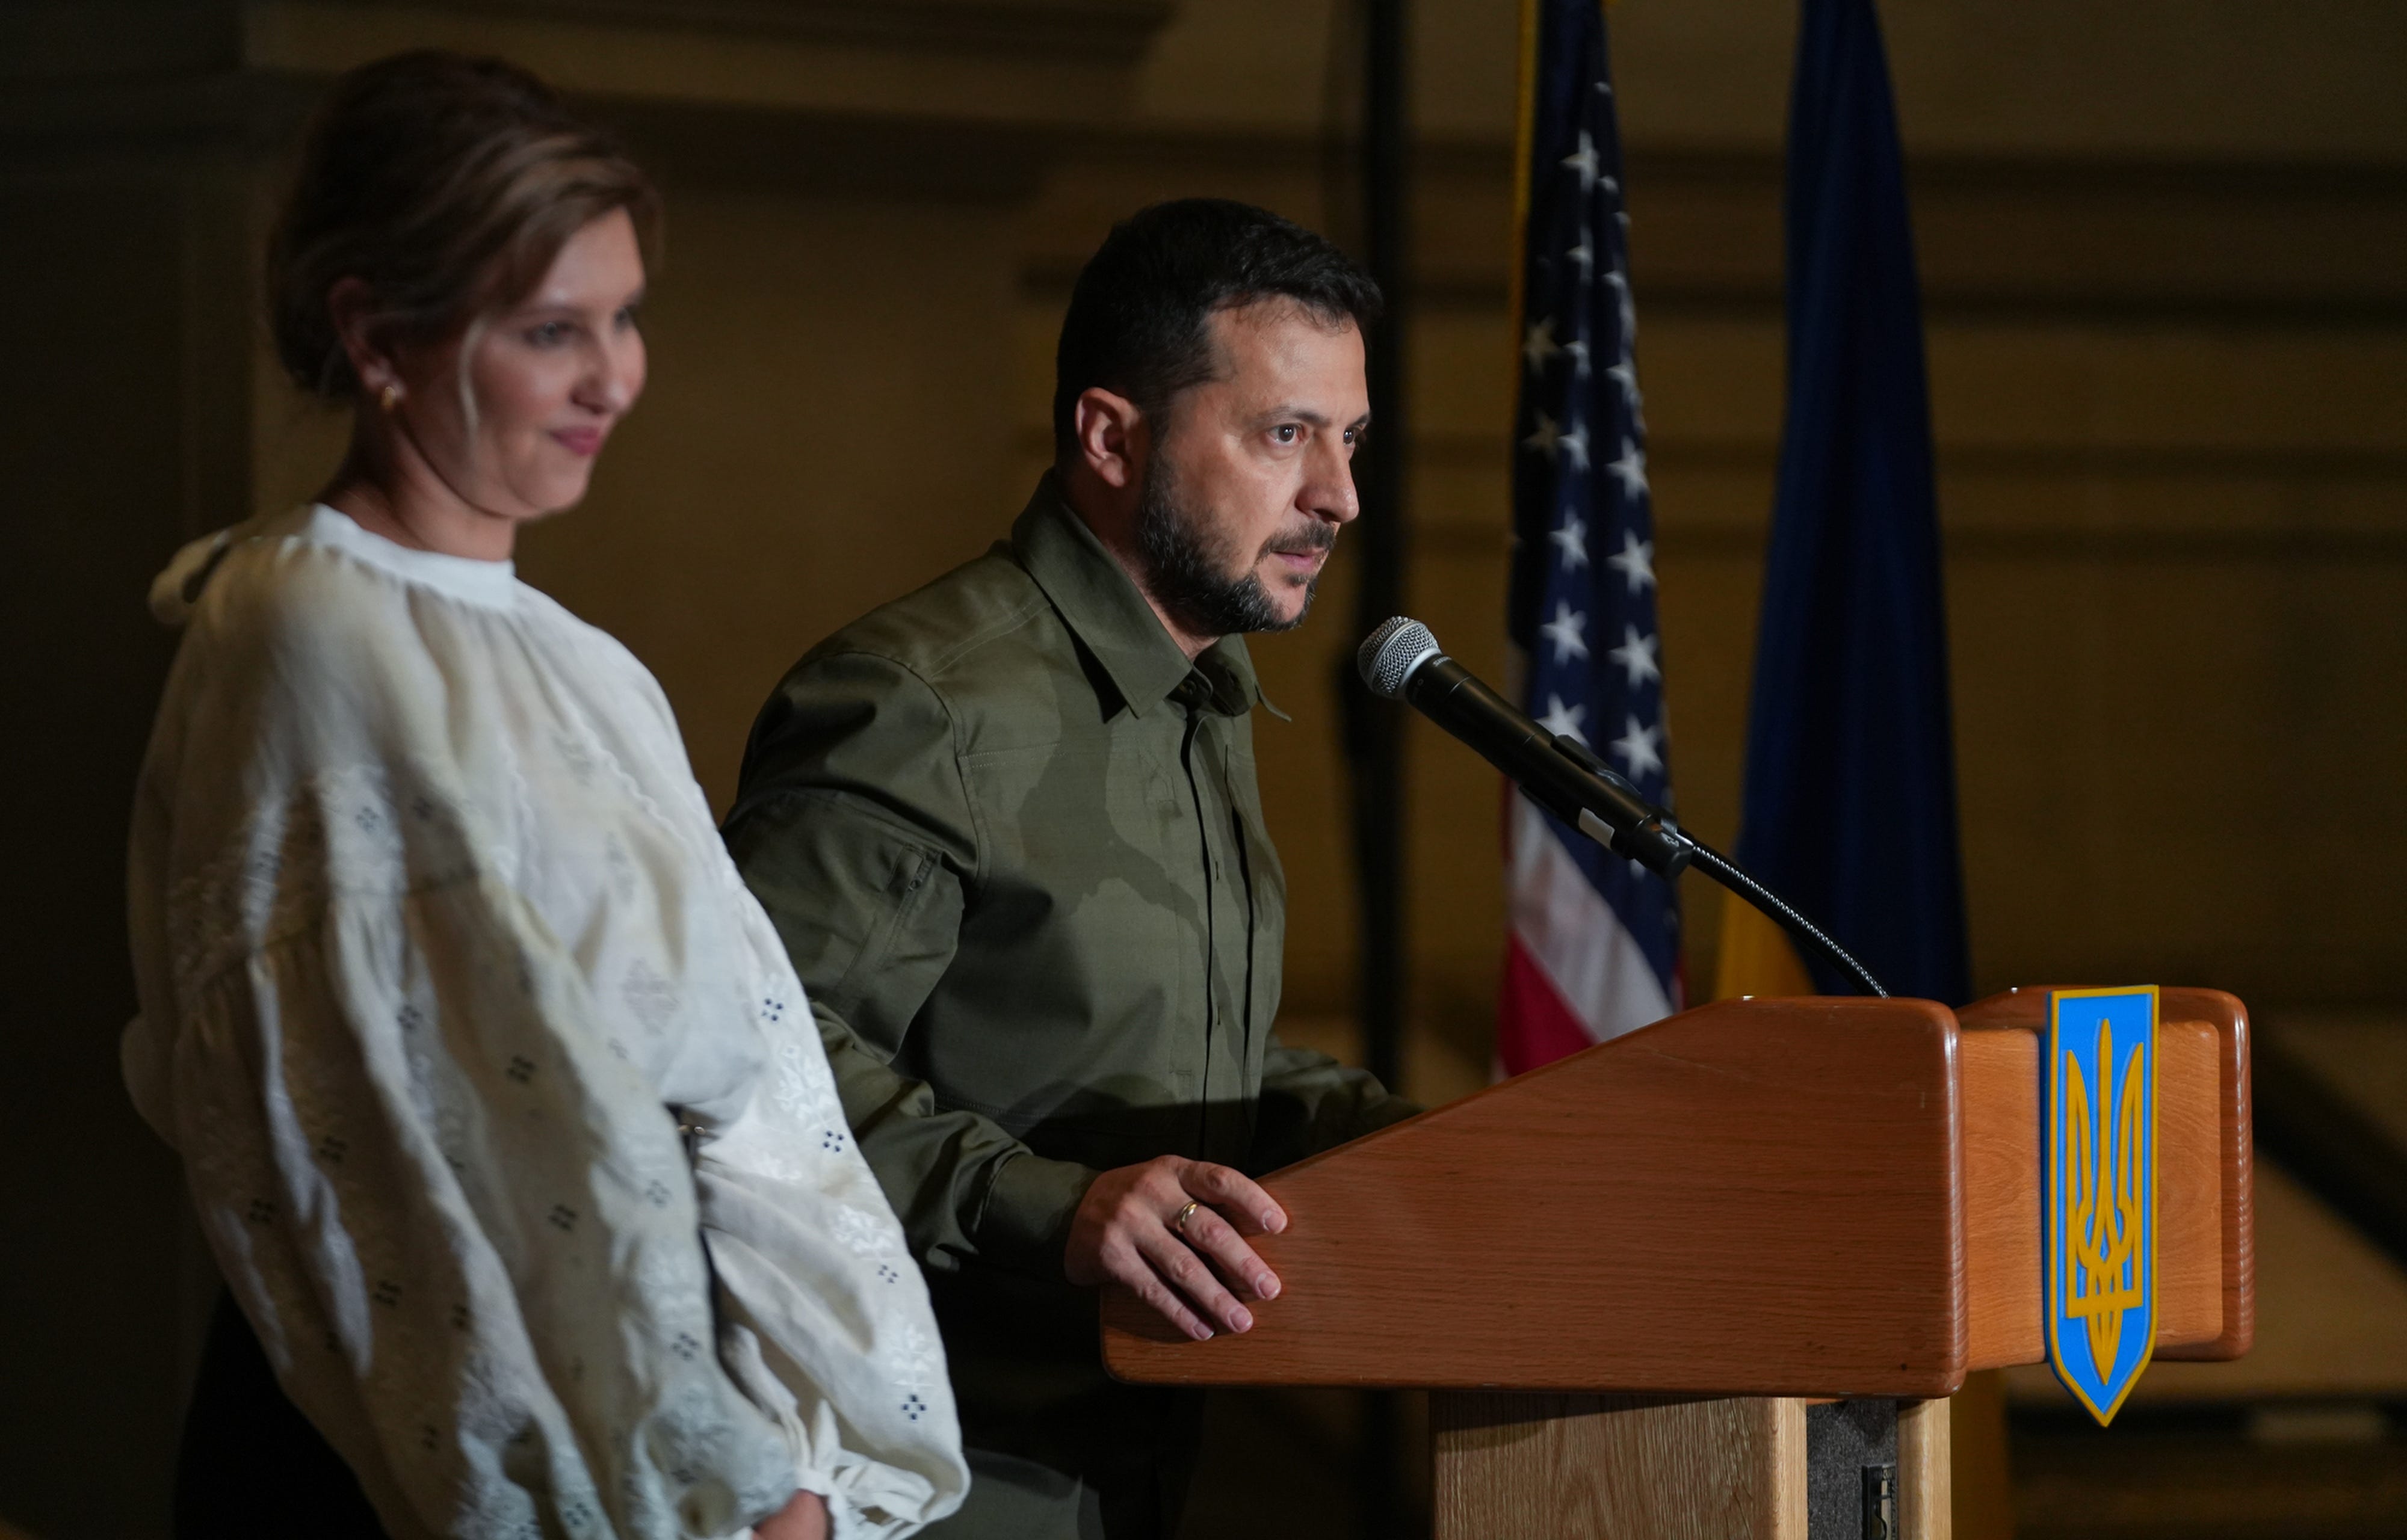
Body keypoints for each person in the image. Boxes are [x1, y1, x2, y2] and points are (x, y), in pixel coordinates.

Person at [122, 51, 966, 1540]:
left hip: (681, 1427)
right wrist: (722, 1483)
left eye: (625, 316)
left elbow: (760, 1085)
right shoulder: (315, 630)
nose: (615, 377)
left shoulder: (575, 658)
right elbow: (447, 1170)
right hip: (451, 1459)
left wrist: (820, 1449)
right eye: (551, 330)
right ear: (378, 336)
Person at [722, 199, 1420, 1538]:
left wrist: (1463, 1148)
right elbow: (743, 1062)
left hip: (1138, 1468)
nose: (1336, 494)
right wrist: (1046, 1207)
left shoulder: (1198, 689)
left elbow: (1161, 1068)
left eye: (1349, 440)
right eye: (1284, 434)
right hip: (930, 1478)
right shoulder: (922, 700)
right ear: (1110, 435)